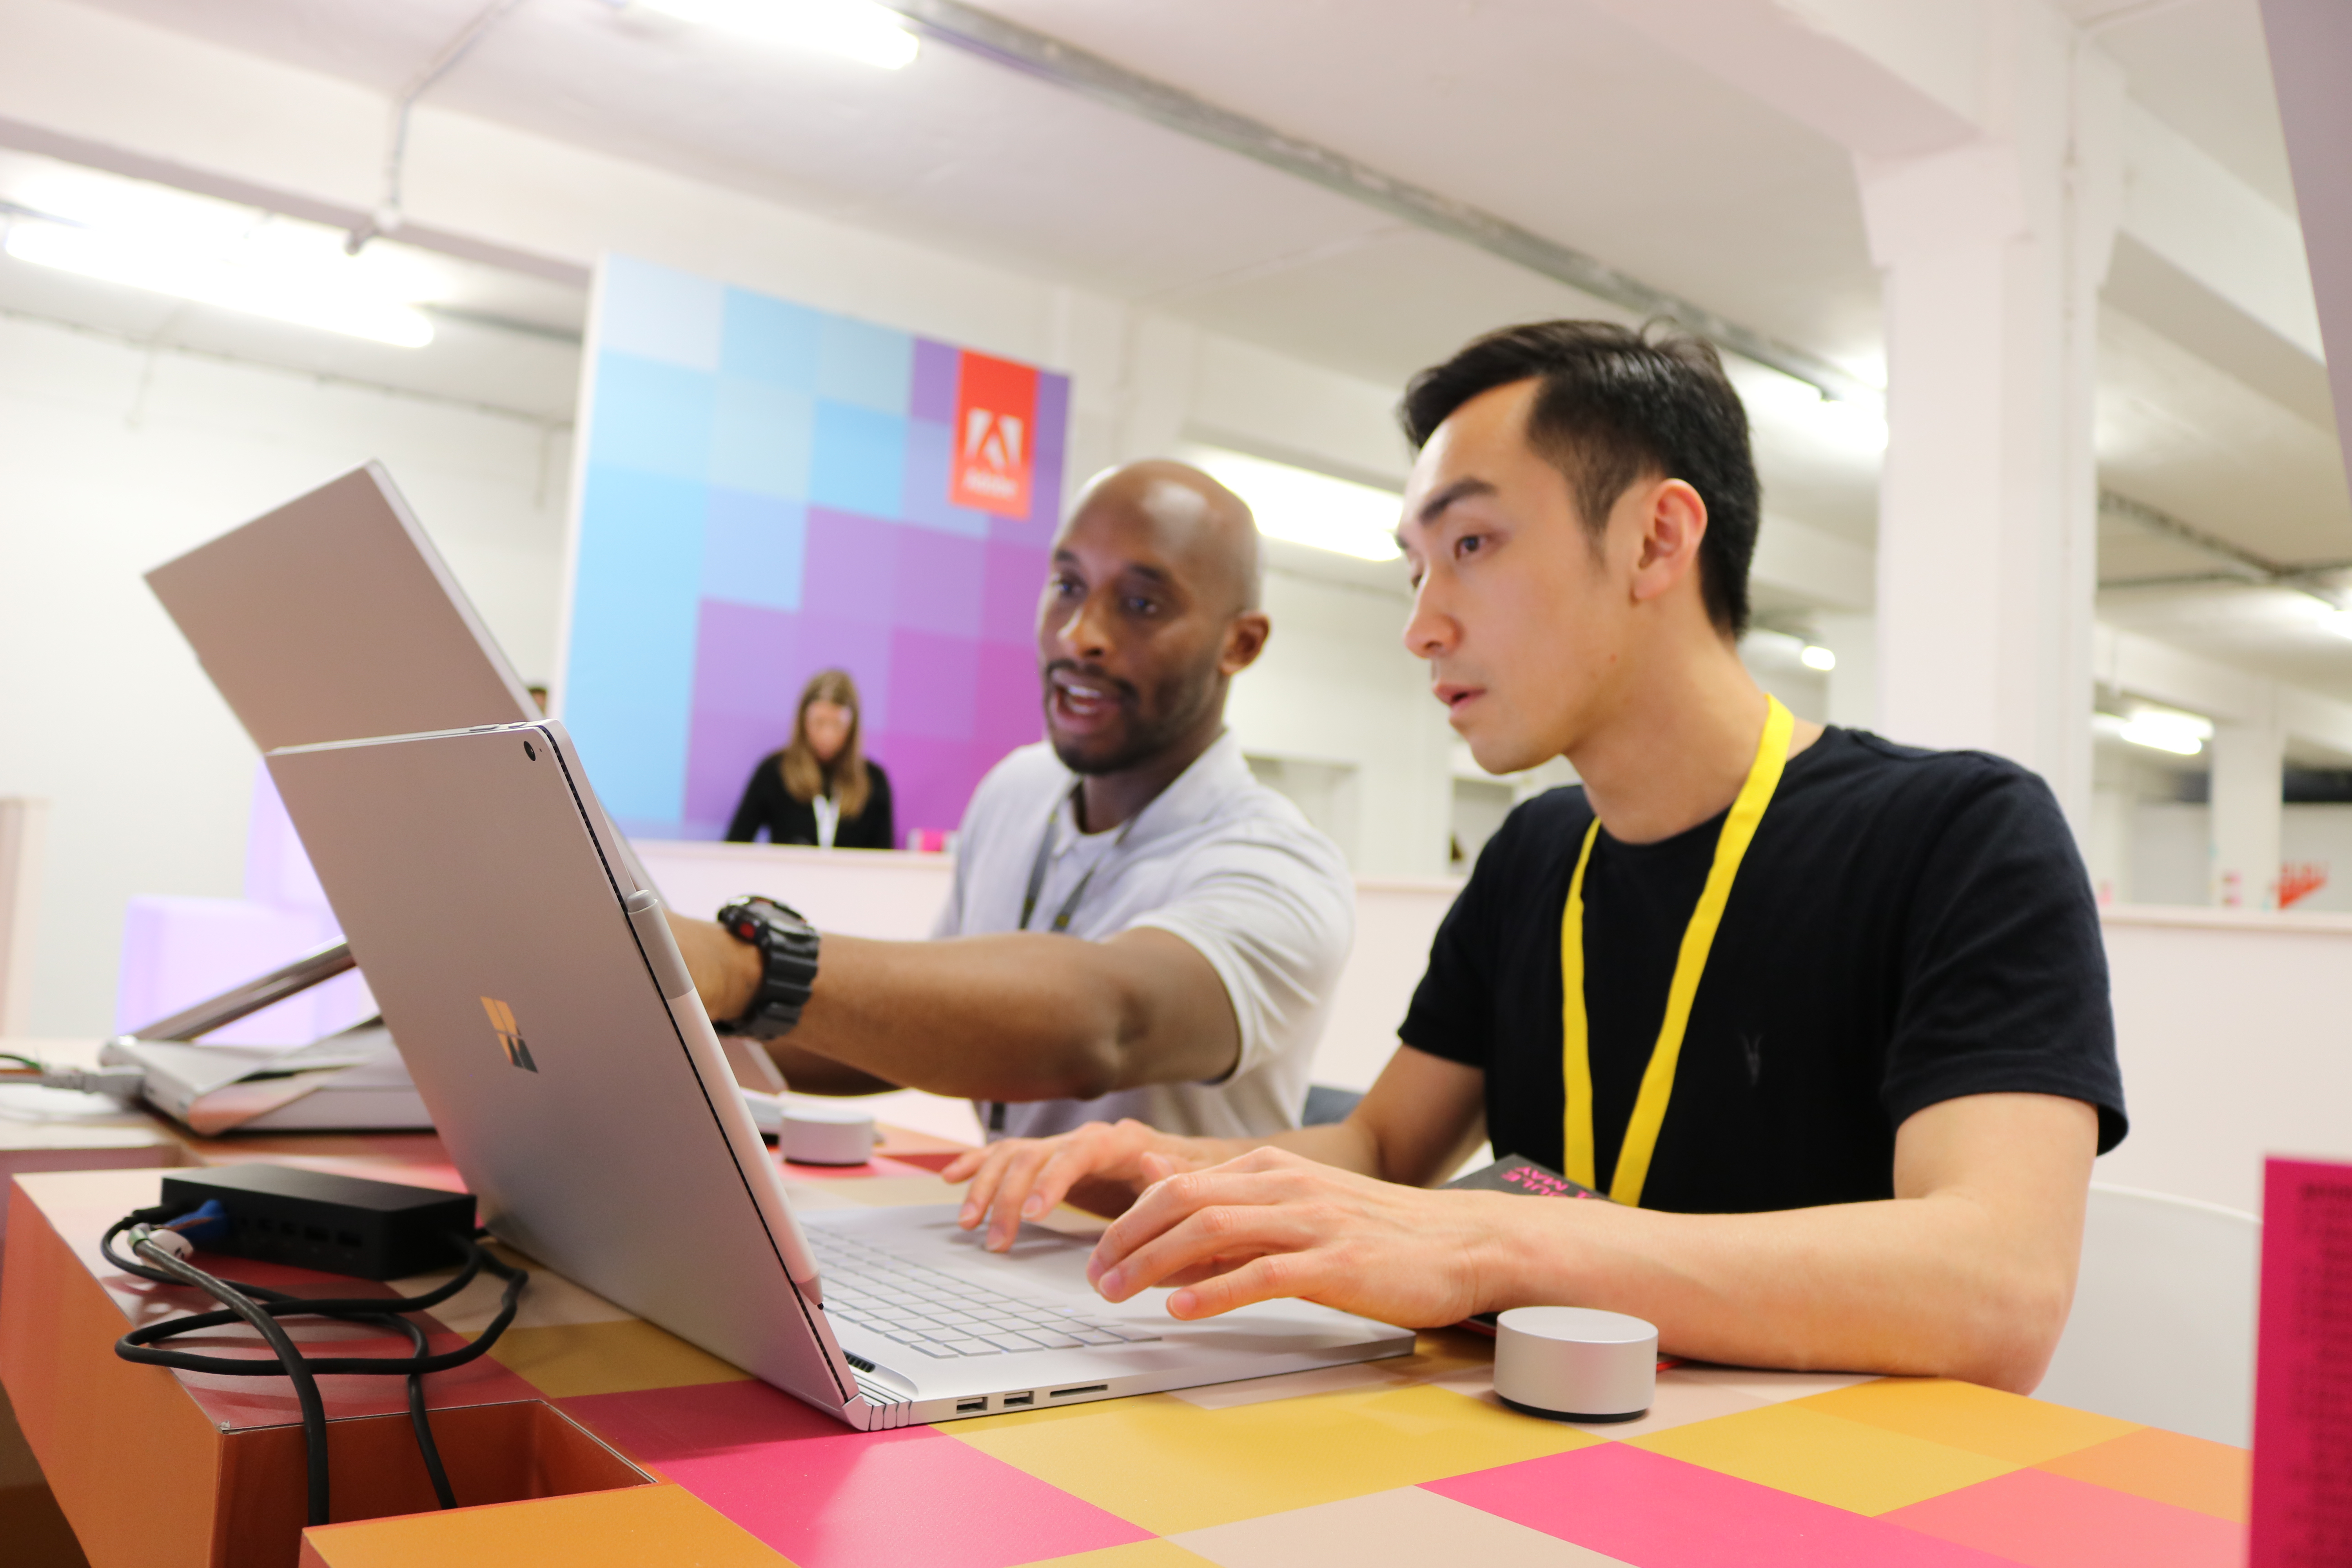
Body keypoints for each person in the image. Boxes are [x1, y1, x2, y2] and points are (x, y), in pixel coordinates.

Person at [947, 322, 2127, 1395]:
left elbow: (1998, 1283)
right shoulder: (1535, 852)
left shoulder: (1958, 832)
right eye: (1416, 565)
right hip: (1535, 1458)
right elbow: (1378, 1146)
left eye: (1470, 543)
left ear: (1656, 539)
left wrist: (1490, 1244)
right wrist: (1179, 1173)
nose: (1420, 622)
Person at [668, 461, 1354, 1193]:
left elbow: (1103, 1026)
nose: (1081, 633)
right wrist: (680, 1014)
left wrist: (742, 967)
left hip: (1174, 1289)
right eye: (1067, 587)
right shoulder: (1017, 790)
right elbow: (900, 1034)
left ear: (1240, 644)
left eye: (1143, 605)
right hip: (1005, 1243)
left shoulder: (1283, 867)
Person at [724, 669, 895, 850]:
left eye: (837, 724)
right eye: (819, 723)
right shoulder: (774, 772)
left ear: (852, 727)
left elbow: (884, 861)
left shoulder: (873, 781)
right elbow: (734, 848)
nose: (827, 735)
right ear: (803, 721)